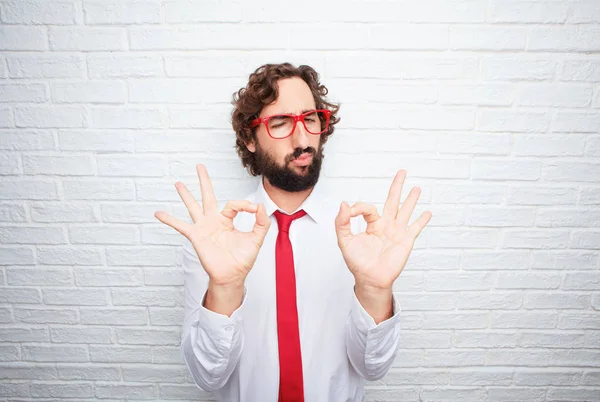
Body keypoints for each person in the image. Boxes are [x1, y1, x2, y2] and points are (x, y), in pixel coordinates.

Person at [154, 63, 432, 402]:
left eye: (310, 118)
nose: (302, 139)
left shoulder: (363, 236)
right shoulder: (213, 241)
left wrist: (375, 291)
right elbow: (208, 377)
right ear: (249, 138)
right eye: (281, 123)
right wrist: (224, 289)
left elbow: (373, 369)